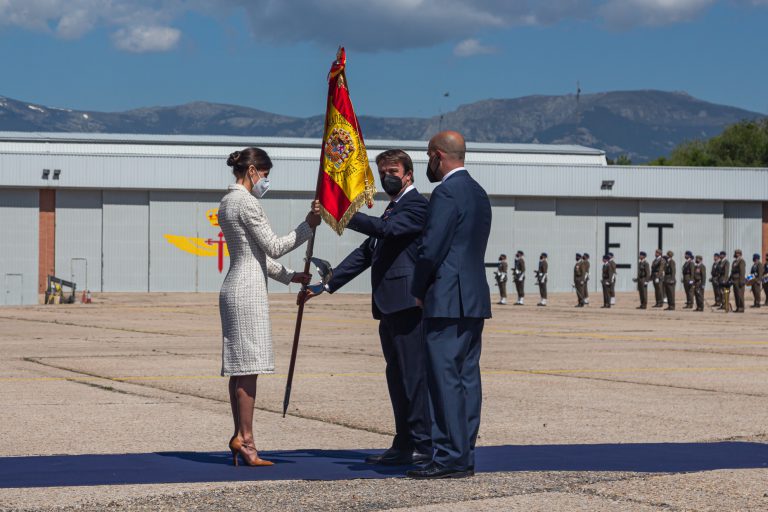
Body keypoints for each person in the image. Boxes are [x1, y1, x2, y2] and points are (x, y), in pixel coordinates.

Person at [305, 149, 431, 466]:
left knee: (412, 376)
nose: (387, 177)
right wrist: (328, 284)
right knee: (396, 375)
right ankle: (403, 442)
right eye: (382, 172)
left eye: (392, 171)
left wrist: (342, 211)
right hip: (389, 306)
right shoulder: (392, 210)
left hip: (407, 304)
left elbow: (385, 232)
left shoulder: (416, 206)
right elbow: (367, 252)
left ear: (408, 175)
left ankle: (423, 443)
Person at [218, 147, 320, 467]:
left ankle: (240, 435)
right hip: (248, 292)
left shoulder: (226, 201)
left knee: (240, 370)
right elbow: (274, 246)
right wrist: (308, 225)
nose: (266, 180)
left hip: (235, 284)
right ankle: (246, 440)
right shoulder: (247, 202)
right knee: (249, 370)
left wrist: (291, 276)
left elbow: (256, 256)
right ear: (252, 171)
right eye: (265, 174)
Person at [408, 130, 491, 480]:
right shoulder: (479, 193)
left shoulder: (445, 193)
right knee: (466, 379)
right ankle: (463, 453)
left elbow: (431, 248)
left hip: (445, 299)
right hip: (473, 298)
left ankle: (449, 458)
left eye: (428, 156)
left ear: (438, 156)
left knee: (443, 381)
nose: (427, 162)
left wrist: (418, 287)